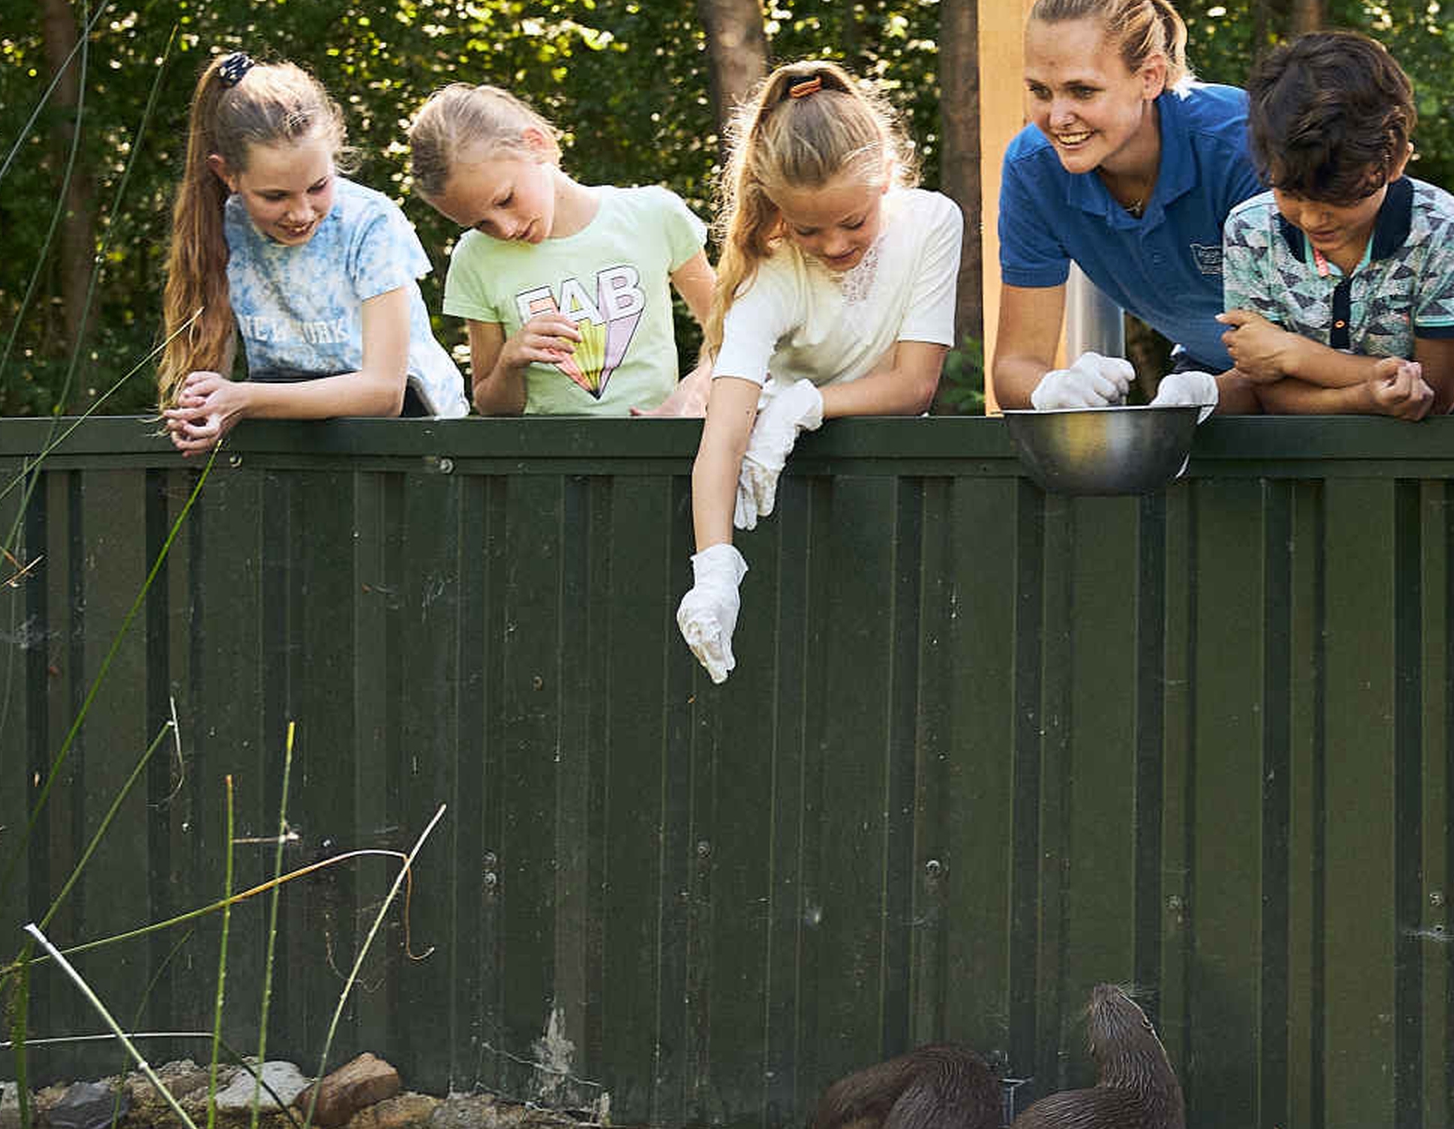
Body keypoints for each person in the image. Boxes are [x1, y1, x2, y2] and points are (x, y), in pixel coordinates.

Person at [673, 62, 962, 683]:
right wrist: (715, 573)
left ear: (886, 172)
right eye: (808, 229)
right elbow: (723, 436)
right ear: (777, 210)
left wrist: (800, 406)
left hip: (877, 477)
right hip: (773, 497)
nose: (833, 245)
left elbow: (914, 386)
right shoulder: (766, 270)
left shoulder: (933, 221)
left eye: (853, 222)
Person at [158, 53, 465, 458]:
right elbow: (217, 381)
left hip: (413, 442)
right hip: (295, 436)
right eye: (275, 196)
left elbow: (383, 393)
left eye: (318, 186)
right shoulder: (220, 227)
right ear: (226, 174)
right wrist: (208, 411)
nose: (301, 213)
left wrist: (244, 399)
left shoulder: (370, 223)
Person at [990, 0, 1263, 415]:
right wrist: (1051, 388)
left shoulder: (1237, 141)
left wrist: (1211, 394)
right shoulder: (1032, 168)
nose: (1057, 118)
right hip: (1209, 385)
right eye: (1040, 90)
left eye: (1082, 91)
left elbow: (1297, 345)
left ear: (1151, 77)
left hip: (1349, 386)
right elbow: (1015, 366)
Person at [1211, 31, 1454, 419]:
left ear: (1395, 162)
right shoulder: (1251, 230)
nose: (1311, 219)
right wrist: (1363, 396)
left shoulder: (1446, 232)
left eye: (1340, 199)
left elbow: (1435, 395)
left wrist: (1295, 353)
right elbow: (1269, 393)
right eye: (1290, 193)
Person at [410, 83, 719, 418]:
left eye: (504, 200)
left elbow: (730, 334)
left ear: (535, 144)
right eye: (481, 224)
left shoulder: (655, 214)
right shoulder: (474, 258)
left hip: (653, 457)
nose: (505, 229)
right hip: (546, 464)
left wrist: (691, 393)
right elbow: (490, 403)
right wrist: (510, 361)